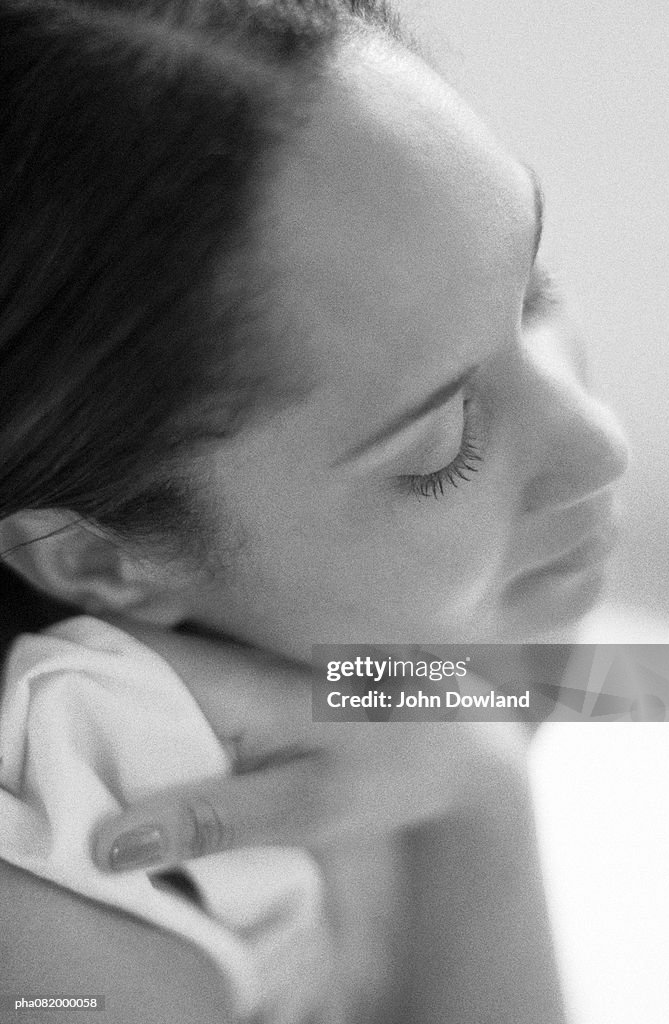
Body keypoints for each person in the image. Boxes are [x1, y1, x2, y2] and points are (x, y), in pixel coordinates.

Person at [0, 0, 629, 1020]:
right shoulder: (62, 945)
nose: (597, 440)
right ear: (100, 558)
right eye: (442, 443)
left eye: (534, 287)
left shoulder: (400, 649)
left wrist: (474, 778)